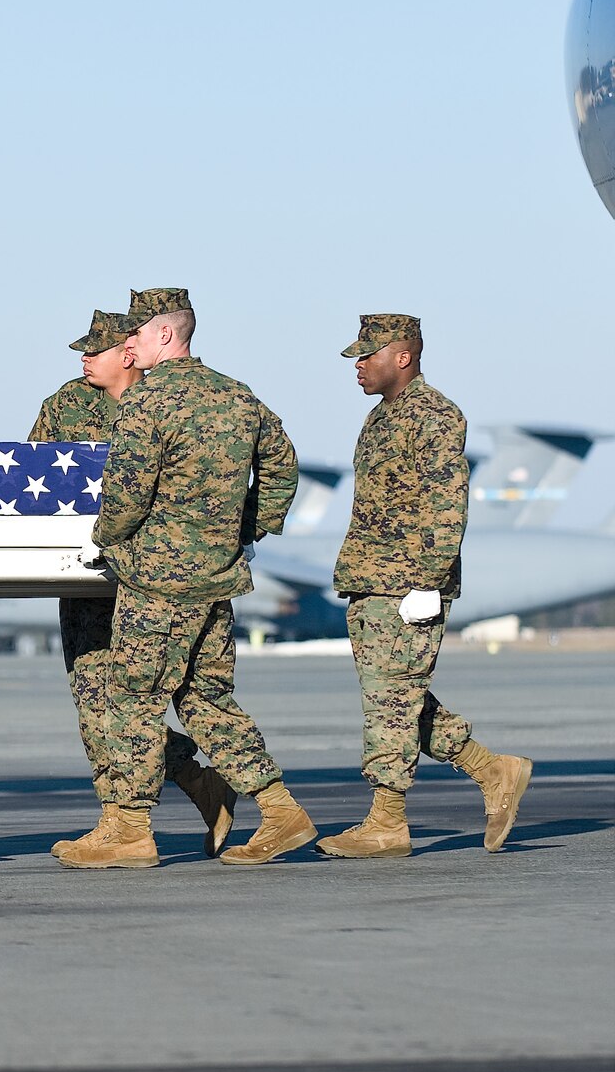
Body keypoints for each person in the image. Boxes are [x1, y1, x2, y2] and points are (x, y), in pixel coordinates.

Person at [67, 288, 313, 868]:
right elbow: (283, 464)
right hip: (217, 579)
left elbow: (127, 494)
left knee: (132, 698)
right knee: (204, 699)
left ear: (165, 335)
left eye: (135, 334)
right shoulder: (238, 397)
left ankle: (129, 830)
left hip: (159, 581)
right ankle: (281, 812)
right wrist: (250, 526)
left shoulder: (148, 402)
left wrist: (103, 539)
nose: (127, 345)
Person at [317, 314, 532, 858]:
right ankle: (492, 770)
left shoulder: (434, 414)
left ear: (403, 357)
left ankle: (387, 821)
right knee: (393, 696)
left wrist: (428, 582)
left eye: (368, 355)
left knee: (391, 700)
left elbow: (446, 501)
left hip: (406, 582)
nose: (359, 366)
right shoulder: (378, 419)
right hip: (371, 578)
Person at [30, 309, 237, 856]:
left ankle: (135, 818)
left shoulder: (172, 400)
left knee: (143, 701)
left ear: (128, 352)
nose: (83, 359)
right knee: (99, 703)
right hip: (90, 583)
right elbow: (34, 481)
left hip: (156, 580)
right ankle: (176, 787)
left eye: (94, 350)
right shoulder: (65, 405)